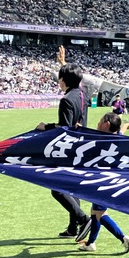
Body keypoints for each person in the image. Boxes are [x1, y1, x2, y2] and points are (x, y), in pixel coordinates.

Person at [37, 51, 92, 240]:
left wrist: (45, 127)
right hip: (82, 147)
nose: (58, 81)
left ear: (63, 80)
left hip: (69, 150)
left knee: (57, 189)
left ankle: (83, 219)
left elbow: (64, 128)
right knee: (71, 187)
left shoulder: (66, 100)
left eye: (59, 78)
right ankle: (72, 227)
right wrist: (63, 63)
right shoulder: (82, 94)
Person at [76, 112, 129, 254]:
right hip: (111, 180)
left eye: (100, 120)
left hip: (101, 181)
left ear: (106, 124)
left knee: (100, 214)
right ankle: (91, 243)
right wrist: (126, 125)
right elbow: (121, 132)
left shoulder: (100, 140)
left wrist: (78, 130)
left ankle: (123, 238)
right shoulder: (117, 138)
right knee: (95, 212)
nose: (98, 123)